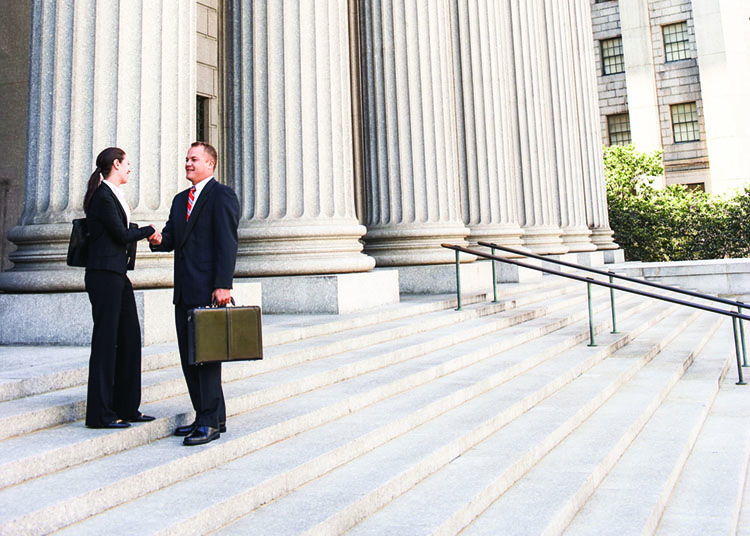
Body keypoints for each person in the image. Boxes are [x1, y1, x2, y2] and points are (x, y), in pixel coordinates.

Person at [149, 141, 240, 446]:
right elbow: (173, 237)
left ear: (210, 164)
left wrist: (223, 284)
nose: (188, 163)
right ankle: (211, 415)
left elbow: (227, 243)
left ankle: (208, 423)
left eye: (194, 159)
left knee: (208, 357)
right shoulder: (179, 200)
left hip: (209, 289)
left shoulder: (221, 195)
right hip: (184, 290)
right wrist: (157, 239)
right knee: (191, 358)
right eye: (186, 159)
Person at [83, 147, 157, 428]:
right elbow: (121, 235)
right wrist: (149, 230)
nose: (129, 168)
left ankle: (127, 407)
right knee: (105, 342)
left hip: (117, 273)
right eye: (127, 164)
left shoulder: (112, 195)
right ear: (116, 164)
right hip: (104, 275)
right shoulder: (103, 196)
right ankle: (101, 415)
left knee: (129, 337)